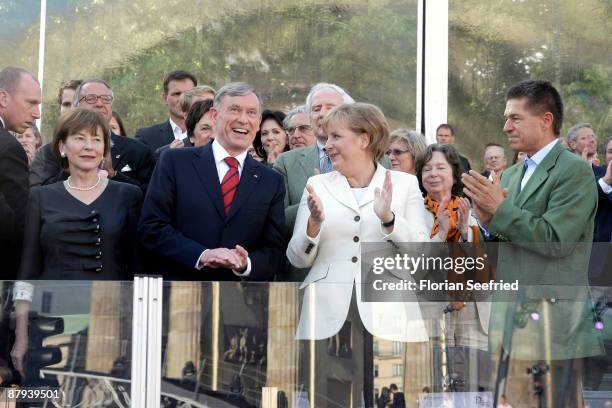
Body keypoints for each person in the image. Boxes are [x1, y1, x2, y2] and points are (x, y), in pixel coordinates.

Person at [462, 79, 601, 406]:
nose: (506, 126)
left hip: (552, 326)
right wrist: (487, 222)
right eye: (506, 118)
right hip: (511, 324)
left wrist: (500, 210)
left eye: (515, 118)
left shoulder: (574, 171)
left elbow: (556, 241)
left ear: (546, 120)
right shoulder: (510, 175)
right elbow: (512, 242)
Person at [12, 107, 143, 378]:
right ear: (62, 146)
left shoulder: (129, 195)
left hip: (110, 324)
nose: (89, 146)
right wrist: (21, 335)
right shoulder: (41, 197)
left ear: (105, 148)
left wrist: (136, 330)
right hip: (49, 324)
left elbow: (138, 270)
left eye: (97, 139)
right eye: (80, 138)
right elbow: (27, 271)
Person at [287, 102, 430, 341]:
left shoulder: (404, 184)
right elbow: (297, 258)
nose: (328, 145)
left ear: (364, 140)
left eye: (336, 136)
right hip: (325, 316)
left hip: (390, 315)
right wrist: (313, 225)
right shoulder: (318, 186)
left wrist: (389, 220)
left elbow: (423, 256)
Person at [138, 82, 286, 281]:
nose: (243, 119)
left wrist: (246, 264)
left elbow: (274, 250)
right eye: (234, 110)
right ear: (215, 115)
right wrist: (201, 255)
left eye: (251, 113)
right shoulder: (175, 162)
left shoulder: (271, 180)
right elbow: (151, 227)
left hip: (240, 301)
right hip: (181, 295)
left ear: (258, 122)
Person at [416, 143, 491, 391]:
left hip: (472, 312)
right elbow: (414, 267)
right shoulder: (413, 211)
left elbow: (486, 269)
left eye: (440, 167)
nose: (433, 174)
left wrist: (464, 233)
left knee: (474, 388)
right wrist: (440, 236)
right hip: (433, 311)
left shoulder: (473, 209)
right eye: (427, 169)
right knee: (435, 385)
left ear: (454, 174)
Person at [273, 83, 355, 235]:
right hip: (306, 252)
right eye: (316, 109)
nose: (322, 114)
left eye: (330, 107)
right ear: (310, 117)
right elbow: (277, 220)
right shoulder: (286, 162)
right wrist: (313, 203)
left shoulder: (376, 158)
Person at [0, 66, 41, 278]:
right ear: (3, 98)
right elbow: (14, 225)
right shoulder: (8, 147)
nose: (37, 113)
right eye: (31, 103)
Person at [30, 79, 82, 187]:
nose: (72, 109)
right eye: (67, 104)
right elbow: (36, 194)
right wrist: (68, 171)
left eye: (77, 103)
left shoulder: (104, 149)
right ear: (60, 109)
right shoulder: (44, 154)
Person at [135, 70, 197, 152]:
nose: (182, 99)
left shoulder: (212, 134)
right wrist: (166, 155)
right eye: (177, 94)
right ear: (165, 99)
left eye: (188, 94)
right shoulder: (147, 137)